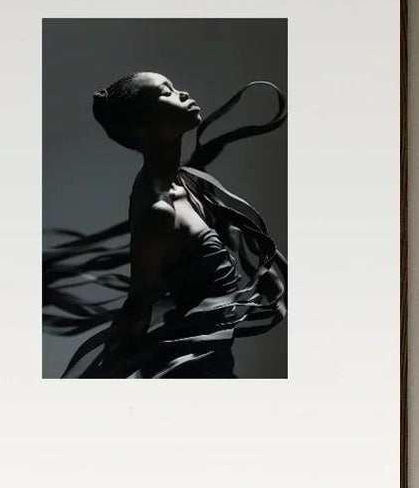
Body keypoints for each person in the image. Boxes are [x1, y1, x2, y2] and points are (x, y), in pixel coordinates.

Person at [43, 72, 286, 380]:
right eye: (166, 92)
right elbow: (139, 305)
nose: (182, 93)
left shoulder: (186, 183)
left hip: (213, 358)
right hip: (193, 368)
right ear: (143, 127)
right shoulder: (158, 211)